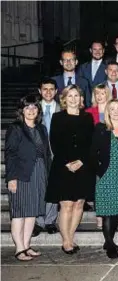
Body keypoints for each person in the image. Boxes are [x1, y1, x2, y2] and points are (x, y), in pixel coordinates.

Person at [45, 85, 95, 254]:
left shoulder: (87, 117)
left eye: (77, 95)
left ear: (81, 99)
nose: (74, 99)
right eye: (70, 96)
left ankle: (71, 237)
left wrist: (81, 161)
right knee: (66, 205)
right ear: (64, 99)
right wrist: (68, 162)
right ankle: (66, 241)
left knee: (79, 203)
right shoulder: (58, 117)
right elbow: (54, 142)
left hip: (83, 166)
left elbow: (90, 143)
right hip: (63, 166)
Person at [6, 94, 52, 261]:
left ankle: (26, 245)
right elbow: (10, 154)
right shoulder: (16, 128)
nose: (31, 110)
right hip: (21, 174)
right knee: (19, 212)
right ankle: (19, 248)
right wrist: (11, 178)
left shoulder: (41, 129)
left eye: (34, 107)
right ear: (22, 110)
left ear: (38, 110)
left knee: (32, 211)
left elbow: (46, 153)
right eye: (27, 107)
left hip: (39, 172)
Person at [90, 100, 118, 259]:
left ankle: (110, 241)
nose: (115, 112)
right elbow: (92, 153)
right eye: (112, 109)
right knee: (108, 212)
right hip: (106, 175)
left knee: (116, 211)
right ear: (107, 112)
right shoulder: (101, 128)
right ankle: (109, 245)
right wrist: (100, 172)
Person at [33, 78, 60, 237]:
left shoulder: (61, 109)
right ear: (40, 91)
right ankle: (38, 221)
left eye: (51, 89)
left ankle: (50, 220)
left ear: (56, 91)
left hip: (57, 153)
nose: (48, 92)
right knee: (39, 187)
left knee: (53, 187)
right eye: (45, 89)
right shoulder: (33, 110)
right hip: (39, 154)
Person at [85, 83, 113, 230]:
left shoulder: (113, 110)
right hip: (95, 154)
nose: (100, 96)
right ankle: (99, 215)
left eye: (103, 93)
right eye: (97, 94)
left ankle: (110, 212)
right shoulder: (89, 112)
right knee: (98, 186)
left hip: (111, 153)